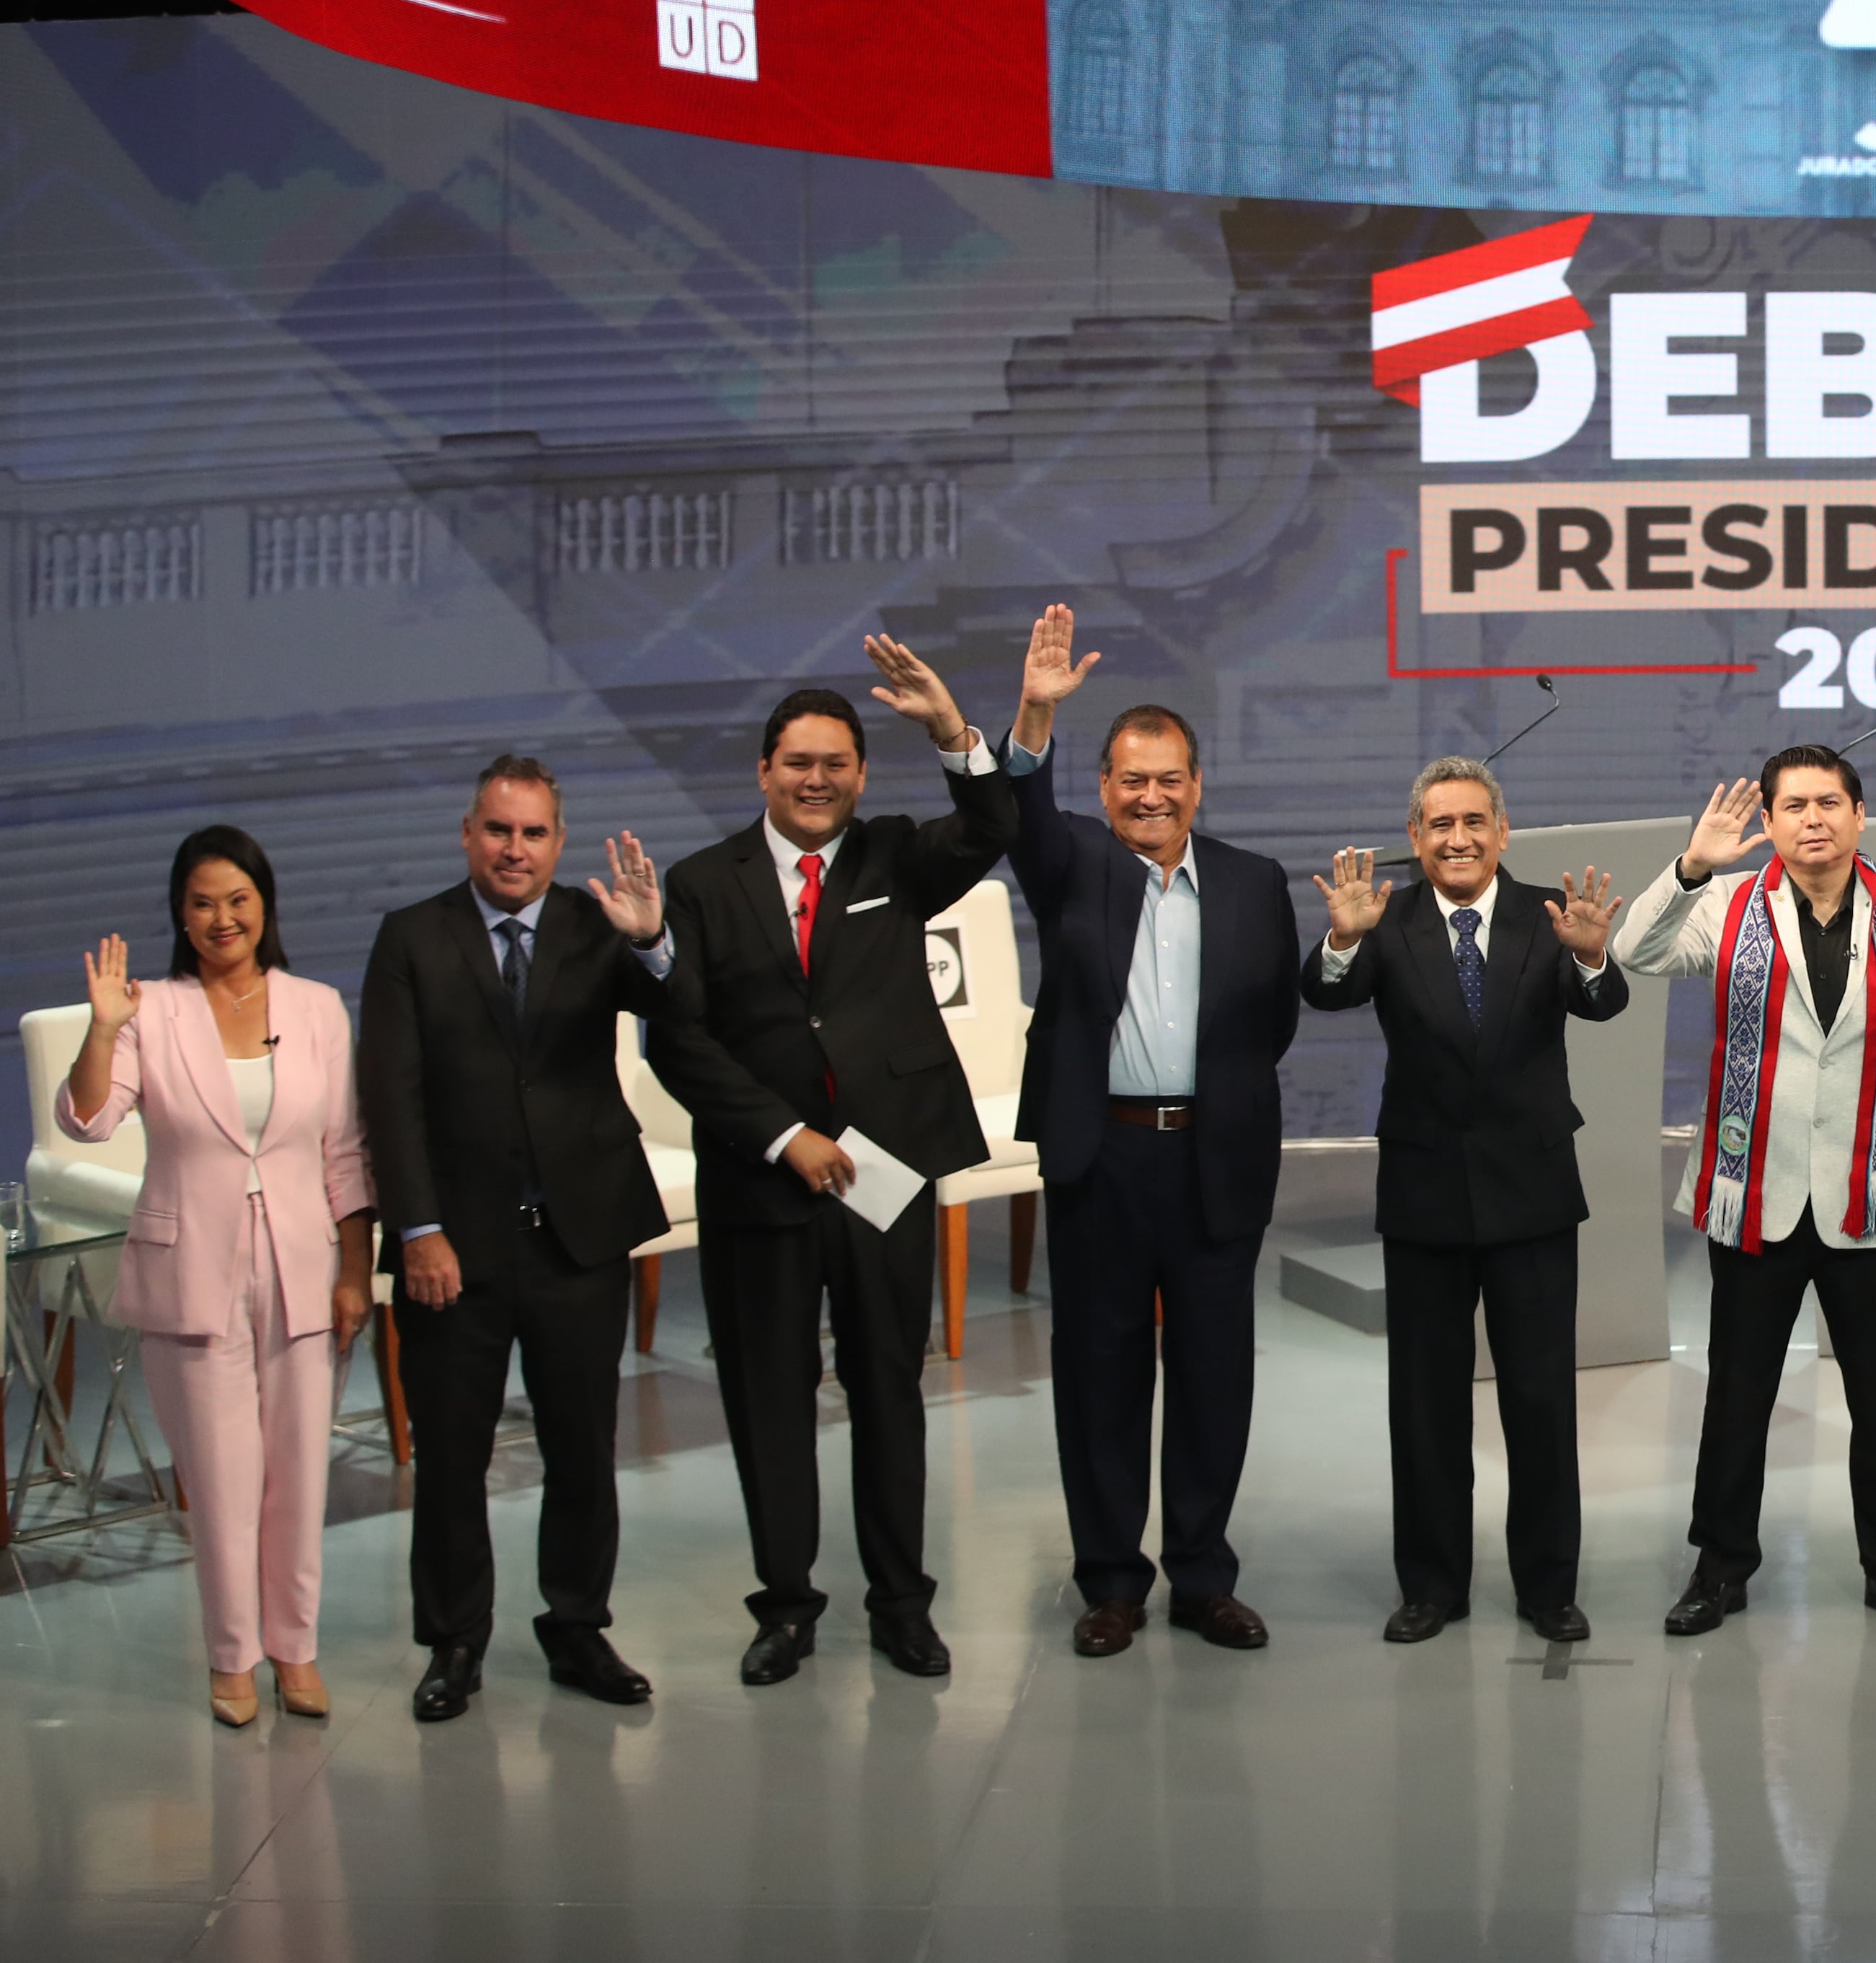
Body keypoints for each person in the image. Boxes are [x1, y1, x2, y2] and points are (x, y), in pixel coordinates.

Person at [646, 635, 1016, 1685]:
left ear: (861, 774)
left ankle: (903, 1602)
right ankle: (788, 1606)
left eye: (837, 764)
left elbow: (996, 823)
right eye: (798, 763)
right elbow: (680, 1039)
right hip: (762, 1180)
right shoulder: (700, 885)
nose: (817, 780)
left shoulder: (896, 855)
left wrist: (950, 728)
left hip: (884, 1178)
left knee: (889, 1390)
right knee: (769, 1400)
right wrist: (782, 1135)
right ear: (763, 771)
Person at [1609, 747, 1876, 1636]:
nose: (1811, 819)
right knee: (1736, 1397)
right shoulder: (1729, 905)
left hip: (1869, 1194)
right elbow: (1634, 950)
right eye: (1792, 806)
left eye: (1828, 803)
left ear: (1860, 816)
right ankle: (1720, 1567)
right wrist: (1693, 865)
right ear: (1766, 823)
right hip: (1754, 1197)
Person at [1001, 605, 1301, 1659]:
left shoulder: (1256, 883)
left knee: (1217, 1373)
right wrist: (1036, 713)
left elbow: (1271, 1025)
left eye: (1169, 777)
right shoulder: (1071, 863)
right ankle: (1113, 1582)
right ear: (1103, 790)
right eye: (1131, 778)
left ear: (1198, 784)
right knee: (1101, 1372)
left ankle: (1203, 1576)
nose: (1151, 795)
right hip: (1102, 1155)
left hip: (1214, 1157)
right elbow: (1020, 815)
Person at [358, 756, 684, 1721]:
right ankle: (455, 1640)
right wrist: (417, 1228)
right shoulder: (411, 938)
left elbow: (681, 1008)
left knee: (582, 1447)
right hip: (453, 1254)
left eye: (534, 833)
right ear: (468, 833)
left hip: (578, 1240)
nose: (514, 849)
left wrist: (655, 939)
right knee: (452, 1457)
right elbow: (391, 1097)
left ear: (558, 841)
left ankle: (577, 1626)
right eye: (498, 830)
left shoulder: (599, 925)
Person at [1304, 755, 1628, 1645]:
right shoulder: (1384, 915)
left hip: (1530, 1196)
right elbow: (1325, 992)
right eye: (1439, 825)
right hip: (1423, 1198)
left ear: (1501, 832)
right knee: (1425, 1404)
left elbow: (1602, 1002)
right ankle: (1432, 1587)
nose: (1457, 839)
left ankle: (1547, 1588)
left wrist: (1595, 957)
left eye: (1472, 822)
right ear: (1414, 839)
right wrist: (1339, 942)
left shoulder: (1546, 917)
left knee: (1539, 1400)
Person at [59, 828, 373, 1726]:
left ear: (264, 904)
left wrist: (356, 1269)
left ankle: (297, 1651)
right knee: (225, 1482)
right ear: (179, 915)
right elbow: (87, 1120)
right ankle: (233, 1659)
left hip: (303, 1269)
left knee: (297, 1475)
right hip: (192, 1271)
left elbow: (344, 1153)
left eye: (237, 899)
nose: (221, 918)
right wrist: (103, 1027)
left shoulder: (315, 1007)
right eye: (201, 903)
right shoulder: (148, 1009)